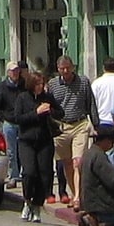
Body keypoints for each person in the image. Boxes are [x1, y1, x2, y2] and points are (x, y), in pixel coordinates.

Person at [9, 68, 58, 222]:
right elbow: (18, 118)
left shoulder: (47, 97)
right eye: (38, 84)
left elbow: (60, 113)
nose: (41, 86)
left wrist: (50, 110)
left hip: (45, 141)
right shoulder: (23, 98)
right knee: (29, 172)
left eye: (42, 84)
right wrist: (36, 112)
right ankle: (27, 201)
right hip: (27, 141)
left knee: (44, 174)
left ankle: (37, 205)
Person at [46, 56, 95, 206]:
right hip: (61, 127)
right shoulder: (53, 84)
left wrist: (95, 124)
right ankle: (75, 193)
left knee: (77, 162)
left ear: (73, 67)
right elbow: (50, 107)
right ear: (58, 69)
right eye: (62, 69)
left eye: (68, 68)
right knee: (66, 163)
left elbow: (91, 103)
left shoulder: (83, 82)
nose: (65, 71)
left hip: (80, 124)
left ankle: (79, 197)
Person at [0, 59, 27, 185]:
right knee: (11, 151)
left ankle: (24, 174)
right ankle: (13, 175)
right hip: (9, 122)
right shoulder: (1, 87)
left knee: (24, 149)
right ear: (8, 72)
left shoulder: (24, 85)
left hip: (23, 122)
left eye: (17, 71)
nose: (15, 73)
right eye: (13, 71)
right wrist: (2, 118)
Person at [90, 57, 114, 141]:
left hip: (102, 121)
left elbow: (93, 103)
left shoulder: (97, 83)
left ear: (103, 68)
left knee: (104, 150)